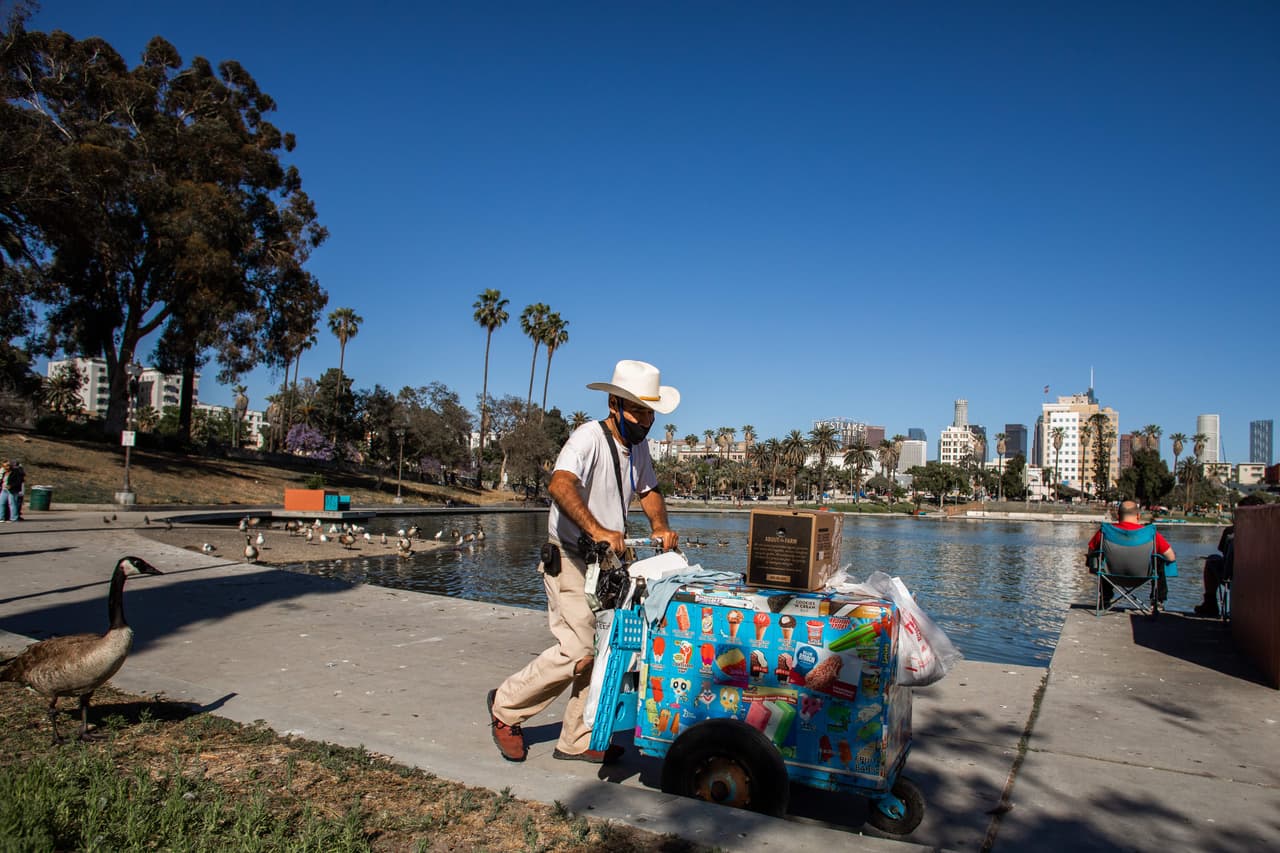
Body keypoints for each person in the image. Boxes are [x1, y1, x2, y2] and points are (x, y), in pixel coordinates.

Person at [487, 359, 680, 764]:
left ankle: (576, 736)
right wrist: (597, 528)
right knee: (577, 649)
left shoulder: (639, 447)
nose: (646, 420)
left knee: (604, 645)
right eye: (639, 411)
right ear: (614, 404)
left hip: (607, 565)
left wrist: (660, 525)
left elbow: (649, 490)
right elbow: (560, 484)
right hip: (571, 556)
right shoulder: (586, 438)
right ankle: (506, 708)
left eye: (650, 412)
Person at [1087, 500, 1176, 607]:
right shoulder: (1150, 533)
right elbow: (1171, 557)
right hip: (1142, 576)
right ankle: (1158, 600)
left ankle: (1105, 598)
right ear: (1138, 516)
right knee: (1159, 560)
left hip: (1110, 576)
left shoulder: (1105, 531)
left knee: (1101, 557)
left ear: (1118, 515)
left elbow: (1091, 552)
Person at [1193, 525, 1234, 617]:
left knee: (1212, 560)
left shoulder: (1230, 530)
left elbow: (1221, 549)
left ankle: (1210, 603)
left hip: (1231, 575)